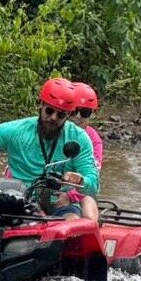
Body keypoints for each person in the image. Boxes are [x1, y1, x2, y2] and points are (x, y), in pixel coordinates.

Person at [0, 78, 99, 220]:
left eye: (60, 115)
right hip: (18, 200)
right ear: (41, 105)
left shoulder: (79, 138)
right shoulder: (16, 131)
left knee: (71, 224)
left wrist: (80, 180)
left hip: (58, 203)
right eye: (49, 111)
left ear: (68, 115)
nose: (53, 118)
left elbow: (93, 183)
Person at [54, 82, 103, 222]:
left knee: (87, 205)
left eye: (85, 112)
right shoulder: (50, 130)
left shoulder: (93, 140)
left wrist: (70, 196)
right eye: (75, 111)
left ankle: (89, 234)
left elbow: (93, 175)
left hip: (78, 191)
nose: (79, 117)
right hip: (48, 188)